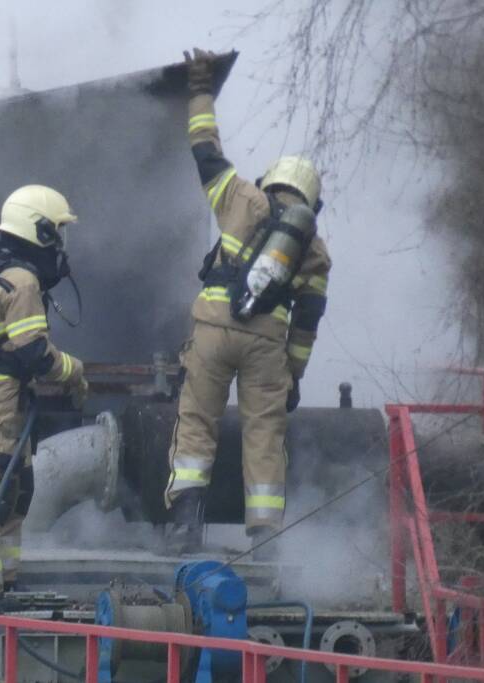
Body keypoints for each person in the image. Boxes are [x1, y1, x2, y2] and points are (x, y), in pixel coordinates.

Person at [165, 49, 332, 559]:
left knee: (197, 423)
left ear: (270, 180)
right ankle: (264, 538)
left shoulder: (241, 198)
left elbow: (204, 150)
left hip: (214, 330)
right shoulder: (314, 249)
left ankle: (184, 530)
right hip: (267, 346)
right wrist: (293, 377)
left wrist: (200, 89)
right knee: (264, 435)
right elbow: (307, 323)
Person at [0, 185, 89, 611]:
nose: (62, 243)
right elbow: (34, 352)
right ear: (41, 231)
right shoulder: (23, 279)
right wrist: (74, 371)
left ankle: (3, 580)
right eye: (58, 231)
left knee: (14, 486)